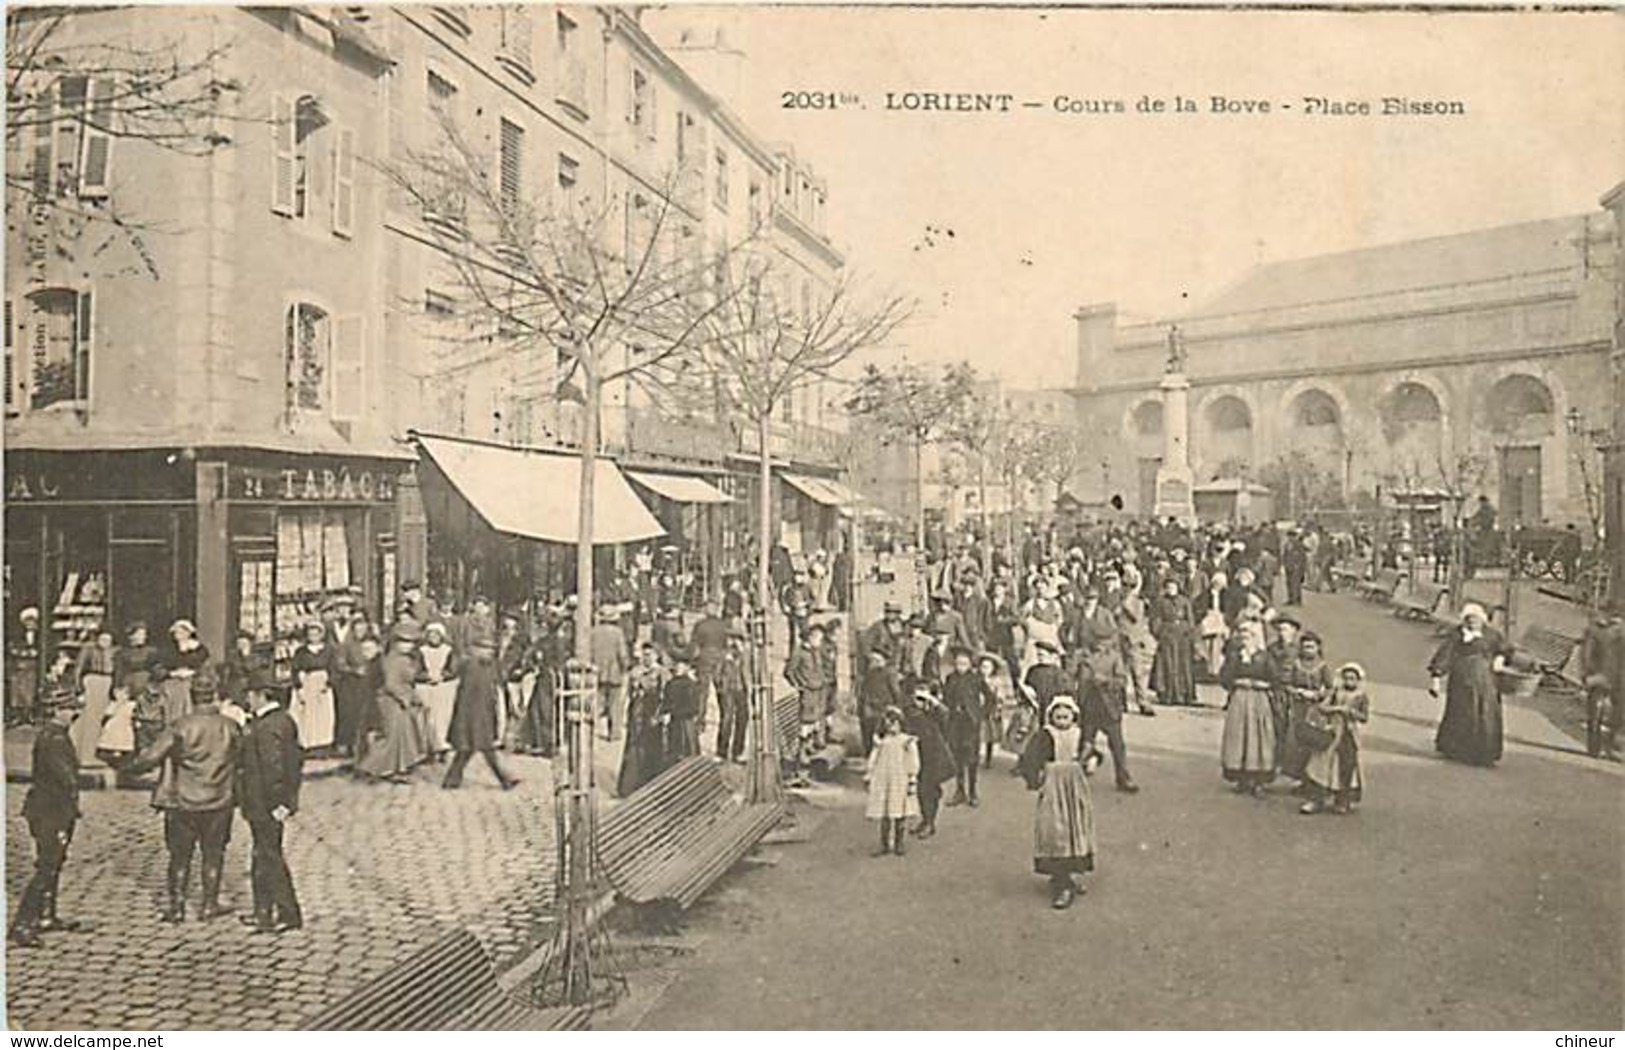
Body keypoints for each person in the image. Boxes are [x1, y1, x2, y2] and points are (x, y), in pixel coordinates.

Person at [124, 671, 239, 923]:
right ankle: (209, 905)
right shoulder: (231, 726)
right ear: (215, 695)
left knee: (179, 856)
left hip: (182, 801)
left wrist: (127, 766)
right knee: (213, 854)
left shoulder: (180, 726)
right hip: (219, 800)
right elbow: (242, 760)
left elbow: (149, 758)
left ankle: (176, 908)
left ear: (192, 695)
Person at [9, 687, 86, 948]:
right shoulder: (53, 739)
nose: (74, 713)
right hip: (50, 811)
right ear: (57, 710)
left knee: (55, 862)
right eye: (69, 708)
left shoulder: (56, 734)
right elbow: (66, 776)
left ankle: (46, 915)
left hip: (53, 808)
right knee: (46, 867)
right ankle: (22, 924)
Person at [236, 673, 304, 933]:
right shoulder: (283, 720)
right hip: (267, 802)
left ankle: (288, 913)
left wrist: (278, 802)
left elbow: (274, 767)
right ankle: (262, 910)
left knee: (270, 856)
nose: (247, 699)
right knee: (261, 855)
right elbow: (296, 761)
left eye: (250, 694)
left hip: (265, 803)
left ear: (260, 695)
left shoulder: (267, 726)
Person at [1018, 696, 1097, 910]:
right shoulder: (1045, 734)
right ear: (1051, 716)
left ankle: (1066, 877)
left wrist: (1091, 761)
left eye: (1066, 716)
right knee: (1055, 829)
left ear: (1074, 716)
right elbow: (1029, 757)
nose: (1062, 720)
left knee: (1075, 828)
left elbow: (1094, 753)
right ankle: (1061, 882)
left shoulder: (1079, 735)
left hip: (1075, 784)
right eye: (1057, 716)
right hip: (1053, 784)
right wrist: (1035, 777)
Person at [1428, 602, 1511, 767]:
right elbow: (1445, 655)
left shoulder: (1491, 635)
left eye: (1476, 620)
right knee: (1461, 713)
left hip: (1486, 682)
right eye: (1469, 620)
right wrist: (1436, 679)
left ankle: (1485, 752)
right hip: (1461, 682)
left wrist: (1500, 659)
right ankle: (1458, 750)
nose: (1473, 623)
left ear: (1482, 620)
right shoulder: (1457, 635)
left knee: (1486, 714)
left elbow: (1504, 649)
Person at [441, 624, 520, 791]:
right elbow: (463, 691)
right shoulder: (469, 666)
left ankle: (452, 780)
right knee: (480, 748)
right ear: (474, 649)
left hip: (484, 713)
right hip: (470, 715)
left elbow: (500, 686)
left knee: (468, 750)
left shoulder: (492, 666)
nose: (488, 652)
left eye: (491, 649)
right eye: (484, 648)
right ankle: (504, 780)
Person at [358, 622, 429, 784]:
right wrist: (404, 698)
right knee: (390, 735)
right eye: (403, 642)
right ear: (395, 642)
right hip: (390, 701)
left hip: (400, 699)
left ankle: (396, 768)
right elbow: (391, 684)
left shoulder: (406, 659)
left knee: (401, 735)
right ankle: (371, 767)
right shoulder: (393, 660)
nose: (408, 645)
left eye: (411, 642)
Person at [1301, 662, 1369, 815]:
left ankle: (1342, 800)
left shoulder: (1361, 696)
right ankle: (1317, 799)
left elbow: (1364, 717)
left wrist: (1351, 712)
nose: (1349, 682)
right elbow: (1322, 707)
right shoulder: (1335, 692)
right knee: (1322, 763)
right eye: (1346, 678)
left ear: (1358, 680)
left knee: (1346, 765)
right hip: (1332, 730)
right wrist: (1335, 709)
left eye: (1352, 679)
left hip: (1349, 733)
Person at [1220, 619, 1278, 798]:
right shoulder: (1235, 656)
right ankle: (1242, 778)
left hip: (1259, 700)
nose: (1244, 639)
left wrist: (1262, 684)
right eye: (1242, 635)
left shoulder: (1264, 657)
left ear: (1256, 637)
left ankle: (1259, 780)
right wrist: (1236, 680)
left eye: (1248, 635)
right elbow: (1225, 678)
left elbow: (1275, 679)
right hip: (1240, 699)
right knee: (1239, 736)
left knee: (1259, 737)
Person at [1076, 634, 1139, 793]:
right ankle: (1077, 777)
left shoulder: (1114, 658)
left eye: (1104, 641)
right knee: (1085, 742)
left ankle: (1123, 777)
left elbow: (1122, 681)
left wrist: (1106, 681)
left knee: (1117, 744)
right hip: (1088, 704)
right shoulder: (1082, 656)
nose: (1101, 645)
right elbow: (1072, 678)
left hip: (1108, 706)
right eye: (1097, 640)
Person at [1277, 629, 1334, 787]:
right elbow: (1286, 684)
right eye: (1305, 647)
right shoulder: (1295, 664)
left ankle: (1311, 780)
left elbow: (1330, 688)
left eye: (1312, 647)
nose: (1308, 650)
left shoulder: (1323, 667)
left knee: (1313, 742)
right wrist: (1297, 692)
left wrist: (1318, 696)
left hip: (1316, 710)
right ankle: (1298, 777)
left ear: (1318, 648)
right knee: (1296, 743)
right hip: (1298, 708)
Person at [942, 647, 996, 807]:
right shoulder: (951, 678)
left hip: (971, 723)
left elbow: (990, 698)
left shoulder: (976, 678)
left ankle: (972, 792)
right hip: (955, 722)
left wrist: (981, 713)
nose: (961, 666)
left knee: (971, 758)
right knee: (957, 757)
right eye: (958, 663)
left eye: (964, 663)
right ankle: (959, 791)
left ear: (970, 664)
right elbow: (946, 698)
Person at [865, 706, 919, 857]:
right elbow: (874, 758)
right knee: (885, 812)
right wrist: (870, 773)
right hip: (884, 778)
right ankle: (884, 843)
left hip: (899, 779)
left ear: (901, 723)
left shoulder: (906, 741)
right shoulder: (881, 742)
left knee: (899, 810)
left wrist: (912, 778)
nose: (891, 726)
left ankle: (899, 843)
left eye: (895, 723)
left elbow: (912, 761)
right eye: (888, 723)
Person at [902, 686, 955, 839]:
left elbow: (946, 716)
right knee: (921, 789)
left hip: (934, 755)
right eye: (917, 698)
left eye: (922, 698)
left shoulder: (935, 712)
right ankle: (925, 819)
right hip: (917, 754)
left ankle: (930, 822)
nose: (919, 702)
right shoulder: (909, 711)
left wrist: (933, 702)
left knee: (930, 789)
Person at [617, 643, 668, 795]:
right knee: (634, 747)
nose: (646, 658)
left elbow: (665, 696)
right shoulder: (635, 672)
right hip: (637, 714)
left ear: (656, 656)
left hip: (652, 713)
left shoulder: (662, 673)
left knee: (653, 747)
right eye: (644, 654)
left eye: (650, 655)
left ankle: (652, 784)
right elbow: (626, 694)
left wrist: (661, 715)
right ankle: (630, 785)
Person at [784, 623, 831, 784]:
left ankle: (808, 771)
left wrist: (824, 680)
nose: (820, 640)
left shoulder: (817, 652)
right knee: (805, 731)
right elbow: (789, 672)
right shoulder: (799, 652)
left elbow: (823, 668)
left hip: (819, 693)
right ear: (809, 637)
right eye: (817, 637)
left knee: (814, 732)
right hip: (808, 695)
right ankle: (799, 769)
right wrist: (800, 685)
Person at [1580, 601, 1625, 760]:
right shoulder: (1599, 630)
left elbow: (1586, 653)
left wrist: (1586, 673)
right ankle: (1606, 746)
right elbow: (1587, 653)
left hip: (1606, 675)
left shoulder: (1594, 629)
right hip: (1610, 675)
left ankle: (1598, 747)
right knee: (1609, 712)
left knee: (1603, 712)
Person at [70, 626, 118, 765]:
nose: (105, 642)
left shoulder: (114, 651)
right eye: (102, 638)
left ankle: (95, 753)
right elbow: (78, 667)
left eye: (108, 639)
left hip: (107, 682)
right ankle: (84, 754)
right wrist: (78, 687)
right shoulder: (89, 648)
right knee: (89, 719)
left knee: (101, 719)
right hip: (92, 681)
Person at [1149, 577, 1199, 706]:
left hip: (1182, 638)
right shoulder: (1160, 602)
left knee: (1183, 666)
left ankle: (1183, 695)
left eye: (1173, 587)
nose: (1171, 589)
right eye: (1168, 587)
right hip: (1167, 637)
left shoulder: (1184, 601)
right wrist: (1159, 633)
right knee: (1167, 665)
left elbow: (1190, 620)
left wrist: (1188, 631)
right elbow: (1155, 620)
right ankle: (1167, 695)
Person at [289, 622, 337, 754]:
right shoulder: (301, 652)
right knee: (307, 715)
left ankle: (323, 744)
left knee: (323, 715)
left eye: (316, 633)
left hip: (322, 684)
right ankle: (307, 744)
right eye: (311, 634)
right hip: (307, 682)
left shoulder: (328, 651)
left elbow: (333, 668)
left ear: (322, 635)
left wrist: (328, 684)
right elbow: (295, 669)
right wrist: (299, 687)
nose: (313, 636)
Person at [415, 622, 459, 761]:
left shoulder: (448, 650)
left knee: (442, 718)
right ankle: (427, 748)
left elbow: (453, 669)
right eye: (431, 634)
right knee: (427, 718)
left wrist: (441, 676)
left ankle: (441, 746)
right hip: (425, 686)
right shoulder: (421, 651)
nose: (434, 637)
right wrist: (427, 677)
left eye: (436, 635)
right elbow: (416, 669)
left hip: (444, 687)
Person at [157, 619, 211, 726]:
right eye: (176, 632)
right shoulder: (168, 649)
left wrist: (192, 672)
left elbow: (204, 667)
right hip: (172, 682)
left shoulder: (199, 650)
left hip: (193, 681)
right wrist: (172, 673)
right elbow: (160, 667)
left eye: (181, 632)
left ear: (188, 633)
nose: (178, 634)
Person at [658, 649, 703, 767]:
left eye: (681, 666)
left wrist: (672, 712)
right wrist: (664, 712)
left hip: (685, 726)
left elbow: (693, 708)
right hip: (674, 725)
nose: (678, 668)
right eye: (676, 665)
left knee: (686, 754)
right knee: (672, 752)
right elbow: (666, 702)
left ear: (687, 668)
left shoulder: (691, 685)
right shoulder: (671, 683)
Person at [857, 649, 901, 756]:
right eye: (872, 660)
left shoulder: (889, 673)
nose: (873, 662)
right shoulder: (868, 673)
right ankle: (868, 756)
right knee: (867, 732)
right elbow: (862, 691)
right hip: (867, 707)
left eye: (877, 660)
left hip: (882, 708)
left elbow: (895, 691)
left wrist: (897, 706)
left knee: (879, 732)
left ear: (883, 660)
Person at [715, 633, 750, 764]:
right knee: (726, 720)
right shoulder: (723, 656)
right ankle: (721, 752)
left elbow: (750, 672)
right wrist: (721, 688)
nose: (736, 644)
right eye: (734, 640)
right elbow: (716, 674)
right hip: (727, 691)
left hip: (742, 690)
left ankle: (738, 752)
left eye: (740, 640)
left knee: (742, 720)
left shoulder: (746, 656)